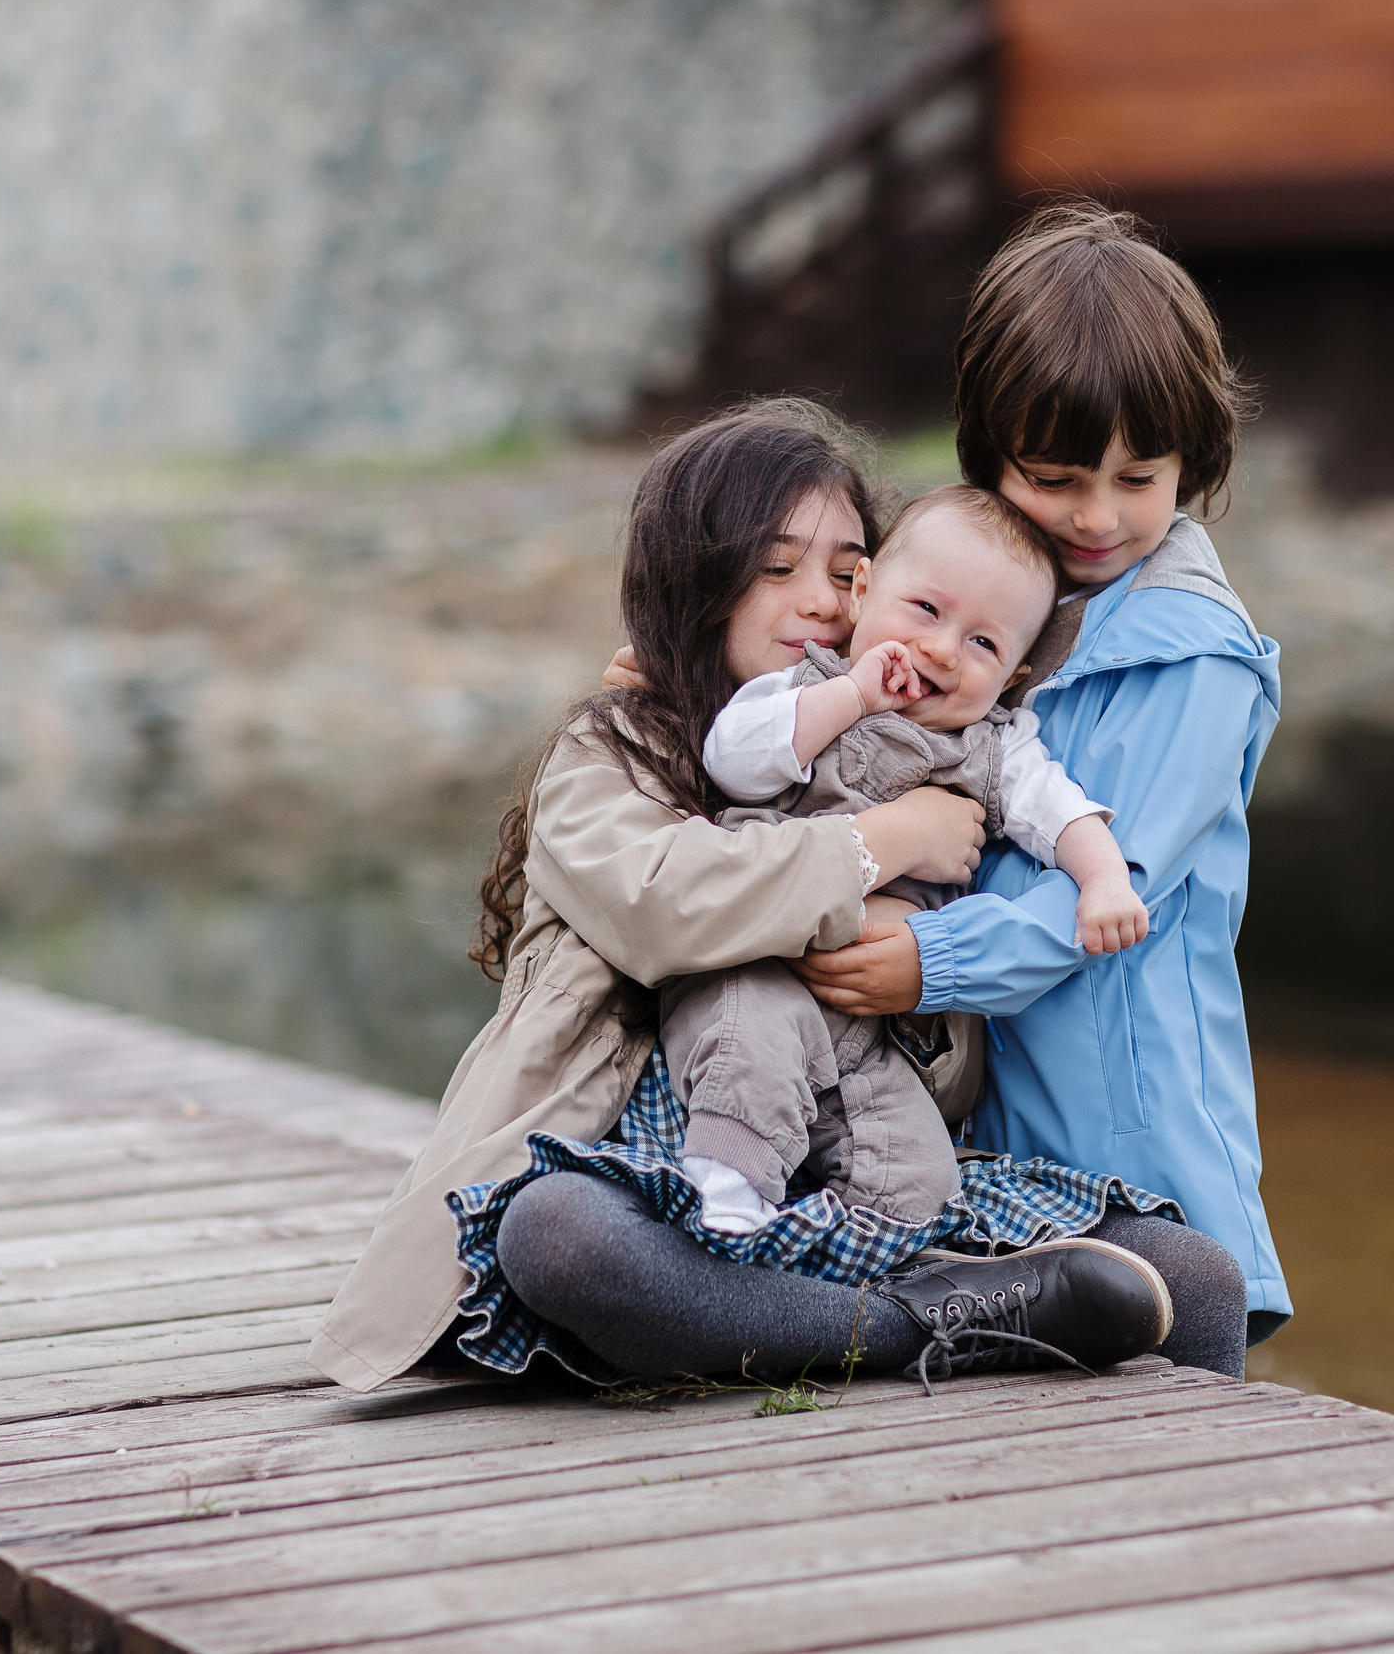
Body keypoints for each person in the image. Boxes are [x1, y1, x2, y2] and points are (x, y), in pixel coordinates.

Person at [309, 399, 1246, 1395]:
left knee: (1193, 1277)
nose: (822, 602)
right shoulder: (615, 748)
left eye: (847, 572)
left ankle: (919, 1320)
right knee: (559, 1236)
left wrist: (909, 963)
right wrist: (879, 844)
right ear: (695, 581)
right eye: (775, 568)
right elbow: (664, 904)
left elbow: (950, 1079)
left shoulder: (922, 753)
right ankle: (915, 1327)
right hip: (649, 1179)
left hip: (845, 1186)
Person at [791, 202, 1294, 1348]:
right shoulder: (1000, 613)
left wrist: (927, 959)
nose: (1095, 515)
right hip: (992, 1153)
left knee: (1176, 1445)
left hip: (1140, 1153)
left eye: (1137, 478)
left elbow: (1109, 897)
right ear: (990, 451)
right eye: (1055, 475)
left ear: (1193, 460)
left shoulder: (1192, 656)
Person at [666, 484, 1146, 1235]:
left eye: (984, 643)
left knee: (919, 1174)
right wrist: (854, 695)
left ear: (1015, 675)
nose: (942, 650)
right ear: (864, 592)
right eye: (925, 610)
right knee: (745, 1053)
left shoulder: (993, 744)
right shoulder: (807, 684)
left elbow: (1061, 811)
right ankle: (721, 1209)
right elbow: (734, 761)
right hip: (759, 970)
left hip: (873, 1028)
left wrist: (1105, 879)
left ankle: (841, 1285)